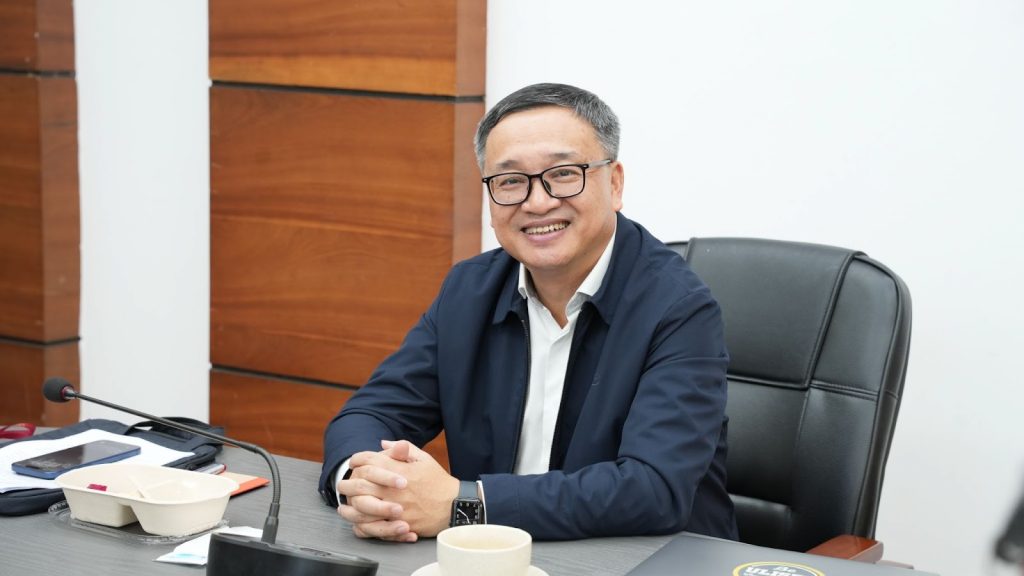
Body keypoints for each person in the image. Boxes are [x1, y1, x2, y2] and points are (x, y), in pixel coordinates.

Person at [319, 82, 737, 543]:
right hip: (494, 558)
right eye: (511, 181)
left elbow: (652, 488)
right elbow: (371, 413)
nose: (537, 203)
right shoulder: (470, 290)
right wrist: (363, 483)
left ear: (614, 183)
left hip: (644, 560)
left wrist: (463, 504)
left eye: (564, 173)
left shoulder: (679, 308)